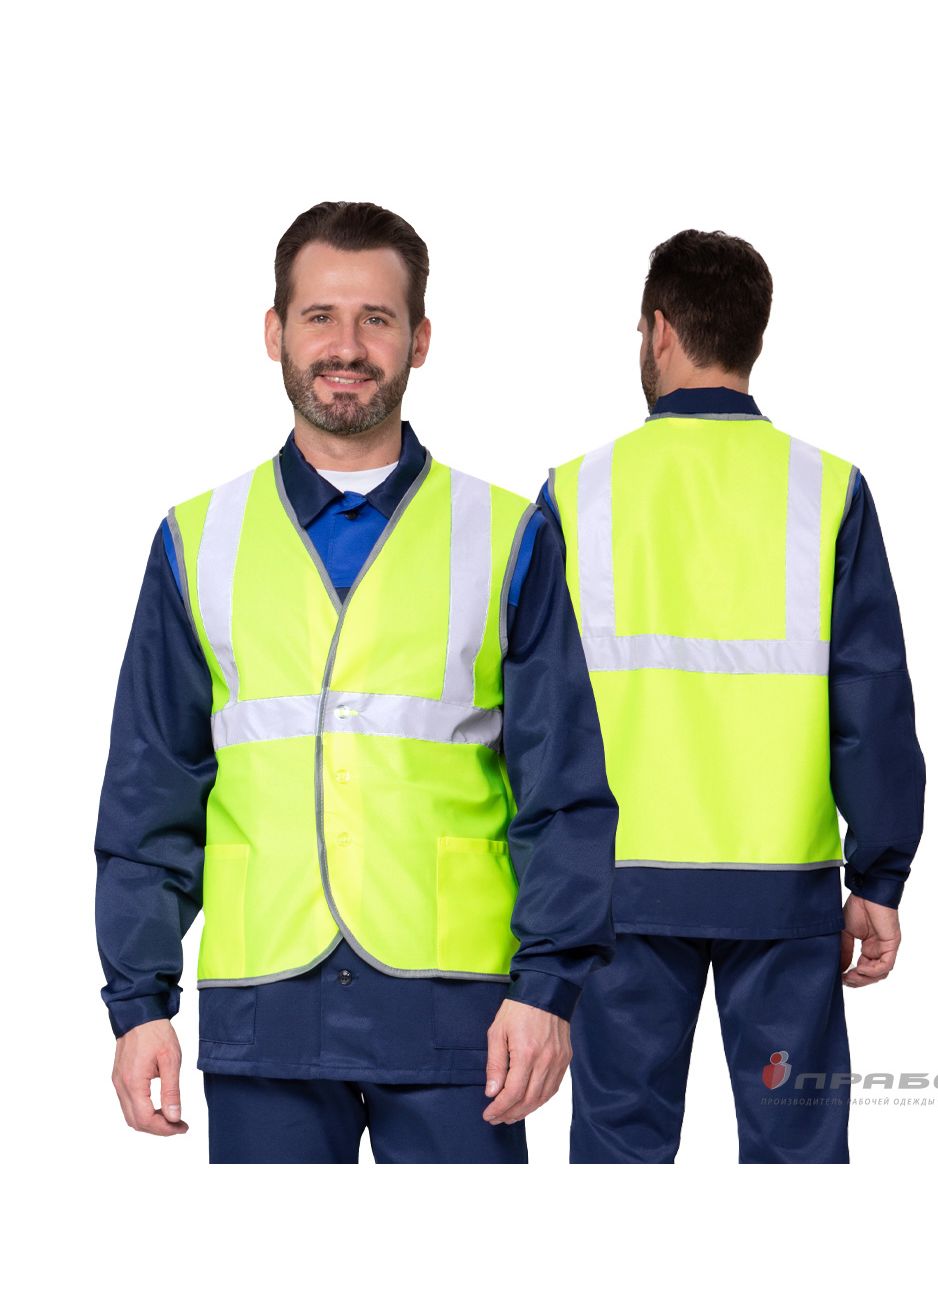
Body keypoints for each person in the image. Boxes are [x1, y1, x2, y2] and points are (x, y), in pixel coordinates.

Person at [96, 201, 617, 1164]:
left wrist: (549, 989)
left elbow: (566, 791)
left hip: (462, 1009)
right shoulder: (197, 539)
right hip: (266, 1005)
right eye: (319, 316)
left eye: (376, 318)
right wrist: (138, 1002)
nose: (346, 346)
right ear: (274, 333)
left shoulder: (508, 533)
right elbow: (148, 792)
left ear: (420, 339)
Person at [540, 229, 925, 1164]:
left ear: (659, 331)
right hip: (783, 890)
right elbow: (872, 704)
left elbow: (535, 713)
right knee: (797, 1157)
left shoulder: (575, 493)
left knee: (618, 1157)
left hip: (619, 892)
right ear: (754, 337)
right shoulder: (827, 490)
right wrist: (878, 877)